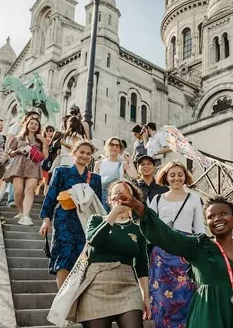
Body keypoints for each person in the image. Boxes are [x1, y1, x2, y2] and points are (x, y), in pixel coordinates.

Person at [116, 194, 233, 328]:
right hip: (209, 316)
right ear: (206, 223)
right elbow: (167, 236)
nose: (217, 219)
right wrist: (139, 207)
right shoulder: (198, 246)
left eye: (223, 214)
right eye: (211, 217)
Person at [70, 181, 150, 328]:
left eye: (125, 193)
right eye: (117, 193)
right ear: (110, 198)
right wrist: (114, 214)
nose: (120, 196)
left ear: (133, 199)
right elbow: (94, 241)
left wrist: (146, 297)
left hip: (128, 286)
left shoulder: (138, 229)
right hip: (97, 284)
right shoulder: (96, 220)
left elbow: (141, 264)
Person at [40, 140, 106, 287]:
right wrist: (46, 219)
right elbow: (51, 196)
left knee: (82, 259)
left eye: (88, 153)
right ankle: (62, 297)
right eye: (81, 152)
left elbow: (97, 205)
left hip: (85, 223)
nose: (84, 155)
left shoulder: (95, 178)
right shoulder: (61, 172)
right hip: (64, 220)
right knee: (64, 257)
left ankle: (76, 297)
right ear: (74, 153)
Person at [146, 162, 204, 327]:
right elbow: (151, 227)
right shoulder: (157, 199)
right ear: (166, 177)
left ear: (185, 176)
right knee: (161, 295)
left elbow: (199, 229)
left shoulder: (194, 199)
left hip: (185, 252)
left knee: (185, 293)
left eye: (180, 174)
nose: (176, 178)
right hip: (161, 253)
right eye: (172, 175)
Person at [4, 117, 48, 226]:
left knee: (29, 190)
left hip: (33, 165)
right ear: (27, 125)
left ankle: (26, 216)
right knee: (18, 191)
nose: (33, 125)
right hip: (19, 164)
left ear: (39, 127)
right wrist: (18, 151)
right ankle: (21, 211)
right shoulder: (18, 138)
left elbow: (45, 156)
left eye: (36, 124)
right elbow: (10, 154)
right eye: (31, 123)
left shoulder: (40, 140)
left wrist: (43, 141)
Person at [97, 137, 137, 201]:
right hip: (101, 195)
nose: (114, 147)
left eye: (117, 145)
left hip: (117, 196)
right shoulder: (99, 163)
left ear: (120, 149)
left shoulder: (123, 165)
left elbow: (134, 176)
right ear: (107, 146)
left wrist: (130, 161)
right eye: (112, 145)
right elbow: (95, 182)